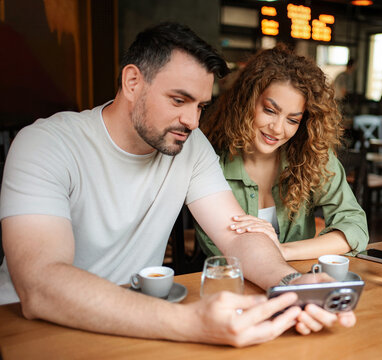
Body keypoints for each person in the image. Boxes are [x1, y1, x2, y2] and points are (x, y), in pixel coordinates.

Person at [0, 23, 355, 347]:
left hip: (137, 327)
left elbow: (237, 236)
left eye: (201, 105)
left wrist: (291, 283)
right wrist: (191, 322)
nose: (192, 120)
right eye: (179, 100)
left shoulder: (191, 147)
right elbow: (39, 285)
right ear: (132, 82)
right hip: (33, 332)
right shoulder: (45, 144)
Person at [196, 45, 368, 261]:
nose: (277, 129)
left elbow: (355, 228)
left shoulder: (312, 156)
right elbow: (219, 249)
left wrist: (284, 250)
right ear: (246, 102)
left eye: (292, 120)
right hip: (233, 285)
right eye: (270, 110)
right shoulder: (210, 162)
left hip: (297, 281)